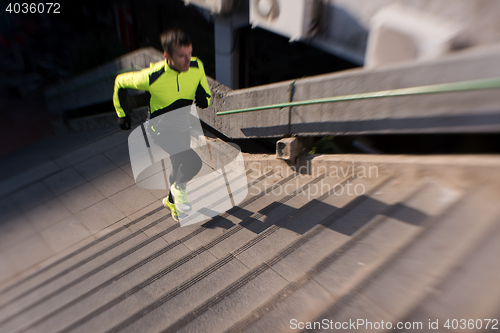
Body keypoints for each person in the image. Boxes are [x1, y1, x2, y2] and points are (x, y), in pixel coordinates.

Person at [113, 28, 211, 222]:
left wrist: (203, 95)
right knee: (193, 163)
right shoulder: (152, 76)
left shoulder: (196, 65)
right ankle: (178, 190)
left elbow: (202, 84)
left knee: (178, 164)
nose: (187, 60)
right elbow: (120, 82)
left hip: (182, 126)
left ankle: (171, 200)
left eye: (189, 54)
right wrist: (122, 113)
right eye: (181, 56)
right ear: (167, 56)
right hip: (161, 130)